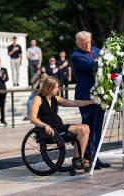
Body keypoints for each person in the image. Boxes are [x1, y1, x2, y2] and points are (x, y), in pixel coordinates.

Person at [30, 76, 94, 167]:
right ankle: (77, 160)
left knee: (86, 127)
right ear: (48, 87)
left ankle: (79, 158)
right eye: (55, 87)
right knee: (81, 129)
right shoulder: (38, 99)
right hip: (46, 129)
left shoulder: (55, 98)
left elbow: (74, 103)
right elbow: (32, 118)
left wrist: (91, 102)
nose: (58, 89)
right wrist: (45, 126)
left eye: (57, 87)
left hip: (58, 126)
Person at [70, 31, 111, 169]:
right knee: (89, 126)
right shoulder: (76, 56)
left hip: (100, 95)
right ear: (77, 43)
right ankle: (88, 157)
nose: (87, 45)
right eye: (83, 43)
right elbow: (93, 66)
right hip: (86, 96)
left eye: (88, 42)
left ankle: (95, 155)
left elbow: (106, 65)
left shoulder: (96, 50)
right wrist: (108, 61)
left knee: (98, 127)